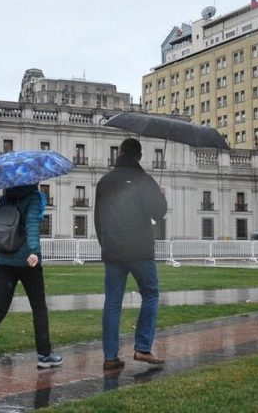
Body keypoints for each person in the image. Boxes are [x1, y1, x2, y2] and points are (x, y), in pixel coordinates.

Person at [0, 184, 63, 375]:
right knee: (39, 308)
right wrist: (34, 251)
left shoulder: (6, 198)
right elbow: (33, 225)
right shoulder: (34, 197)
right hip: (26, 261)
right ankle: (44, 355)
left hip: (3, 260)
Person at [94, 138, 168, 371]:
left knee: (113, 302)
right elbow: (159, 212)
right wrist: (160, 196)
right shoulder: (144, 180)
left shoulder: (104, 182)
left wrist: (104, 244)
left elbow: (98, 219)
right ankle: (143, 348)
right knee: (151, 294)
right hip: (139, 250)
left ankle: (110, 357)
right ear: (139, 155)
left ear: (120, 153)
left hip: (113, 250)